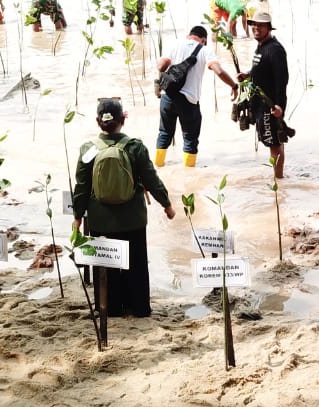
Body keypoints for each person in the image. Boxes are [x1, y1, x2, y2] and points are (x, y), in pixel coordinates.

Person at [73, 98, 175, 318]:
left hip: (101, 219)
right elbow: (151, 179)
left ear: (98, 122)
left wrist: (77, 216)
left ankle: (110, 308)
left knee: (106, 265)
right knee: (136, 264)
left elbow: (81, 186)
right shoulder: (135, 147)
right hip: (133, 218)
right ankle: (138, 307)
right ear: (123, 119)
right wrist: (167, 204)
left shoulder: (88, 149)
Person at [154, 25, 239, 167]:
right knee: (190, 139)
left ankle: (158, 166)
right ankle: (189, 173)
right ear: (204, 40)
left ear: (189, 35)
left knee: (164, 133)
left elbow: (161, 66)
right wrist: (234, 86)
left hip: (167, 97)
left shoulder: (175, 44)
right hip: (188, 100)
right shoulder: (205, 50)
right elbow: (219, 71)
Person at [244, 9, 291, 179]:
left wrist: (280, 106)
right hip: (259, 104)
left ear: (269, 28)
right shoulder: (261, 46)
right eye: (254, 25)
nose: (256, 28)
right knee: (274, 140)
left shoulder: (275, 50)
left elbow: (282, 79)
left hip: (270, 105)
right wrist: (248, 75)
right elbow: (262, 69)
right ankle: (278, 177)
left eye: (260, 26)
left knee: (274, 143)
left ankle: (279, 180)